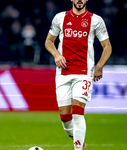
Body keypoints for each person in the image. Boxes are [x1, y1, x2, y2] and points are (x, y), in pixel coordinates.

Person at [45, 0, 112, 150]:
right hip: (63, 73)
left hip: (83, 72)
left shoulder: (96, 20)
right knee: (65, 117)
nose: (80, 0)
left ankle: (77, 148)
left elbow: (107, 46)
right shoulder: (60, 18)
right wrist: (56, 55)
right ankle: (80, 143)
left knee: (77, 112)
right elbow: (49, 41)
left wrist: (99, 66)